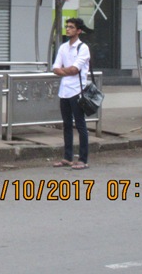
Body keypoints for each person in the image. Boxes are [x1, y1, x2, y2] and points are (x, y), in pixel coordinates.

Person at [52, 17, 91, 170]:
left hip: (77, 91)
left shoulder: (83, 48)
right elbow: (55, 68)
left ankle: (83, 159)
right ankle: (67, 157)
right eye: (67, 26)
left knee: (80, 125)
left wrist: (64, 70)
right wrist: (65, 71)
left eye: (71, 27)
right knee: (67, 124)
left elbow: (76, 69)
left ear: (79, 30)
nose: (68, 29)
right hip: (64, 91)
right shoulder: (63, 47)